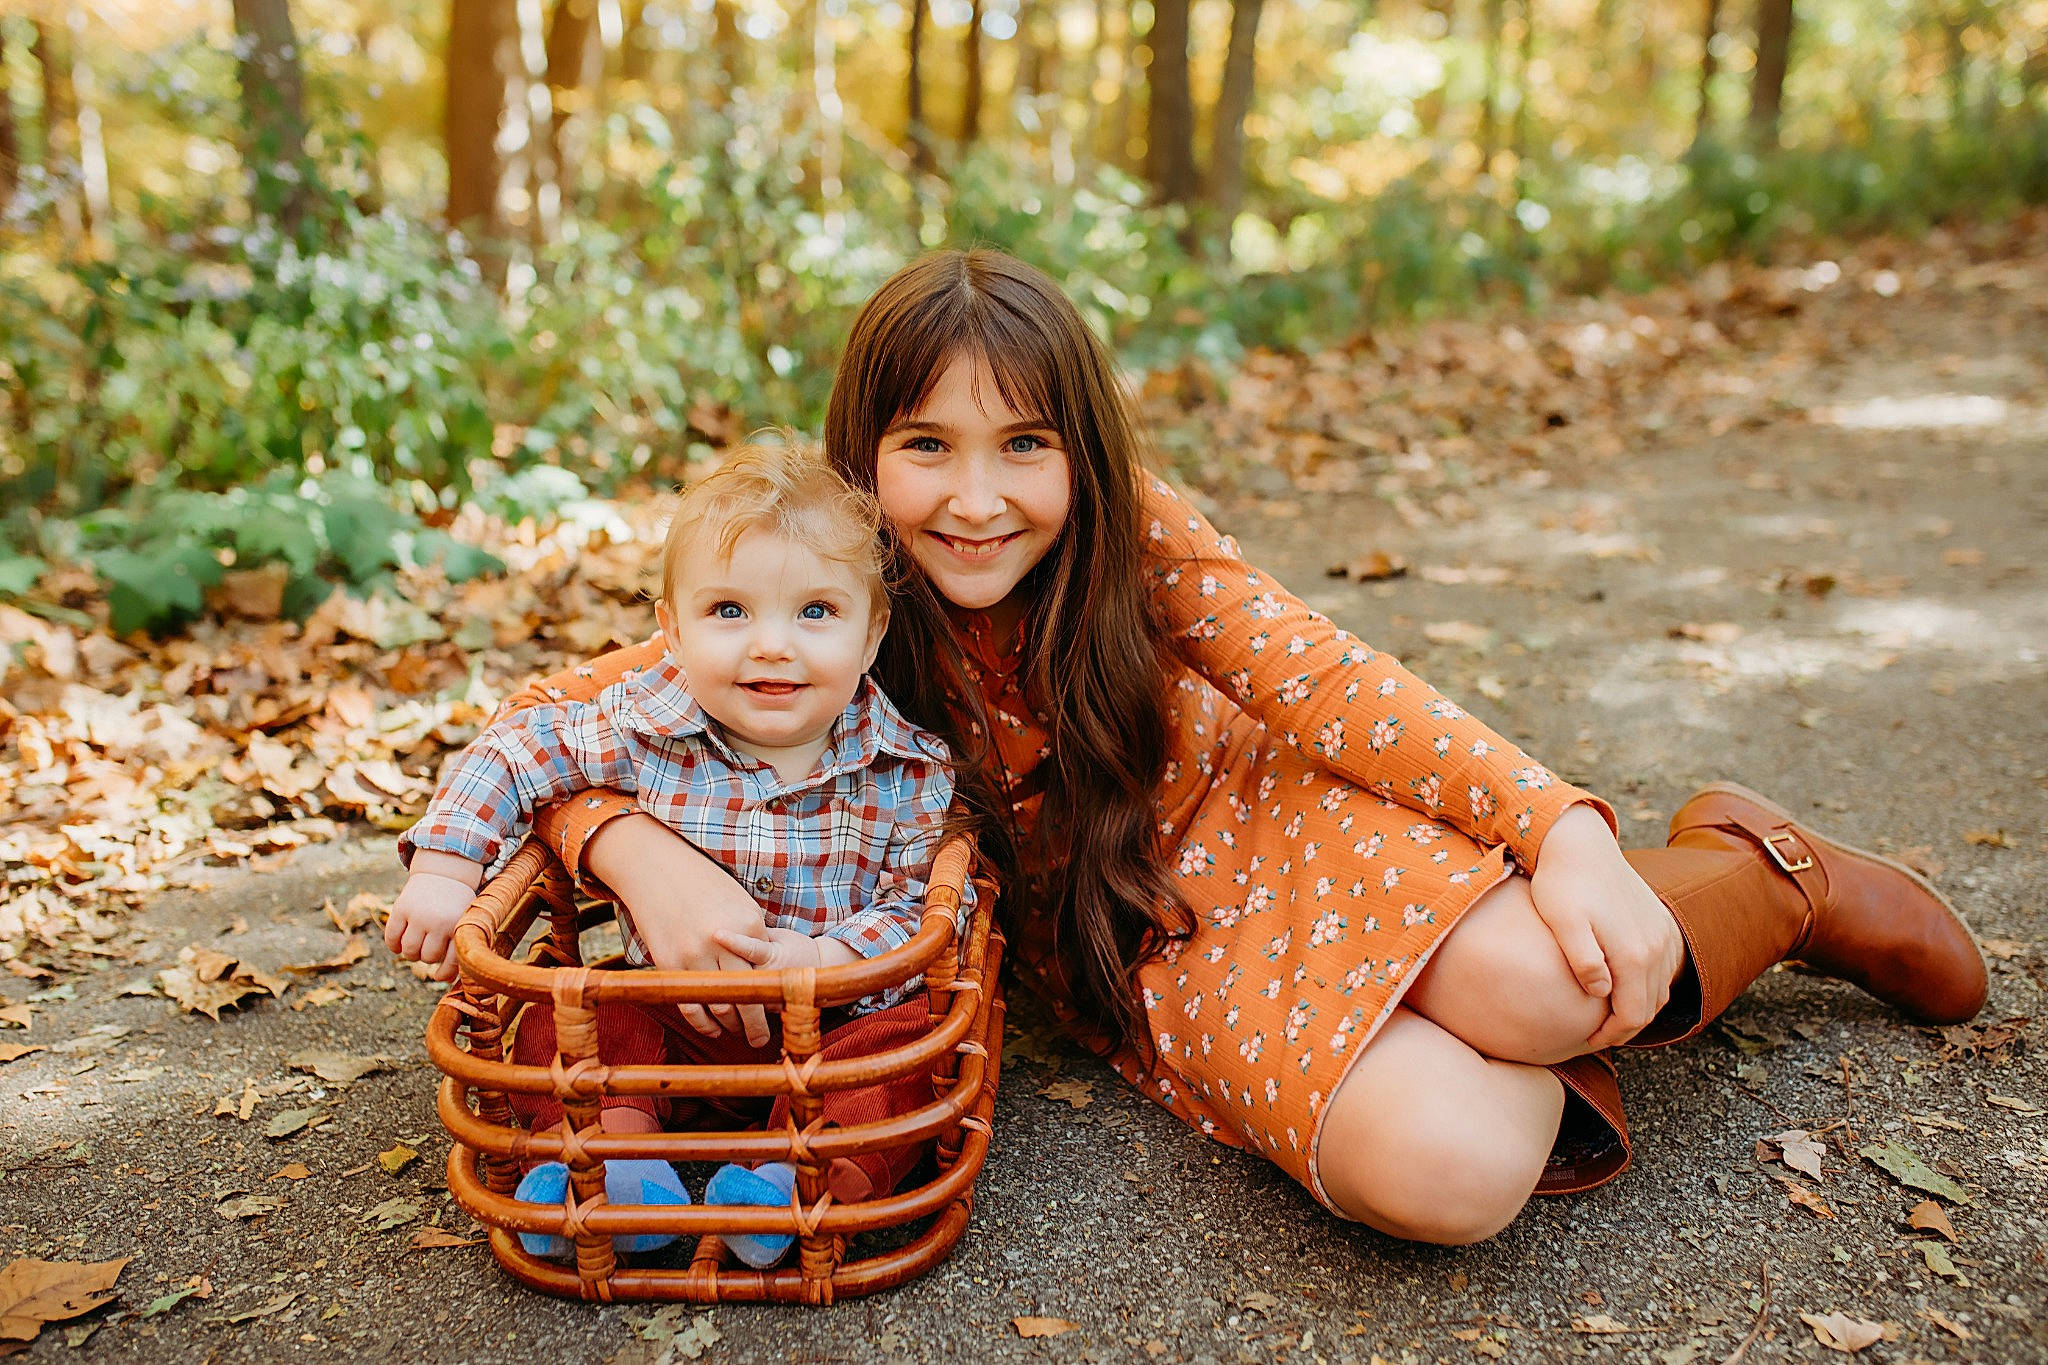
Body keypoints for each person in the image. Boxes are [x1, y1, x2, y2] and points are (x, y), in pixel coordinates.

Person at [489, 250, 1987, 1246]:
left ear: (1083, 446)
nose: (976, 496)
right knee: (1456, 1179)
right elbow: (554, 723)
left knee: (1546, 977)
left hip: (1269, 826)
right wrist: (631, 846)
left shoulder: (1139, 544)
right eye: (927, 445)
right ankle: (1568, 998)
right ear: (862, 457)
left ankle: (1762, 872)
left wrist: (1562, 826)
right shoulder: (822, 587)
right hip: (1148, 943)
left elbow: (1330, 678)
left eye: (1025, 443)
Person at [385, 442, 974, 1264]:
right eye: (729, 611)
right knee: (579, 1011)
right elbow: (517, 747)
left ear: (872, 634)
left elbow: (918, 916)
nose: (771, 644)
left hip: (836, 1023)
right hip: (677, 1015)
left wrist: (824, 954)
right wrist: (447, 868)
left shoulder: (906, 768)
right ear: (671, 628)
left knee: (920, 1035)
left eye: (815, 612)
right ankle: (611, 1159)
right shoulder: (645, 726)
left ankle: (789, 1174)